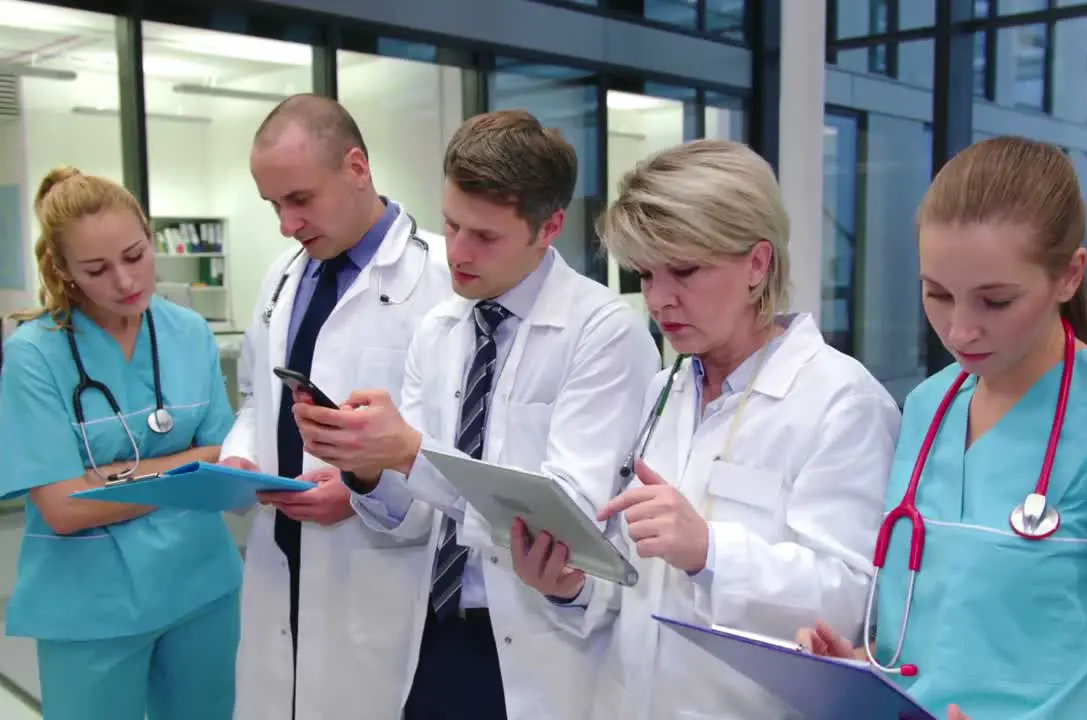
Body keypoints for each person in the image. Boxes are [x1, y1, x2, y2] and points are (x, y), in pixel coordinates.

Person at [796, 136, 1087, 720]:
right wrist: (861, 667)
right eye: (937, 294)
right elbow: (949, 644)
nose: (959, 331)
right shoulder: (929, 408)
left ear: (1069, 275)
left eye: (995, 301)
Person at [509, 139, 901, 719]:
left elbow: (855, 603)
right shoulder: (668, 388)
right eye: (645, 274)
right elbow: (640, 581)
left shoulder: (841, 400)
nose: (660, 299)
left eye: (685, 270)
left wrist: (712, 552)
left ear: (758, 264)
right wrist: (571, 585)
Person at [288, 109, 660, 719]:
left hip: (541, 646)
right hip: (433, 638)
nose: (456, 252)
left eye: (484, 236)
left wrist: (409, 451)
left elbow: (563, 522)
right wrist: (366, 469)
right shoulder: (439, 329)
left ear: (549, 227)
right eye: (450, 224)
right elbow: (408, 523)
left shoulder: (604, 333)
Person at [216, 94, 453, 720]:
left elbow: (459, 443)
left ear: (356, 167)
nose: (286, 224)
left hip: (381, 564)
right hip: (279, 555)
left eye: (300, 199)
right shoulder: (282, 276)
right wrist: (242, 459)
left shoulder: (442, 279)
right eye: (274, 205)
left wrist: (356, 494)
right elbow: (254, 400)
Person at [0, 167, 242, 720]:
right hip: (89, 604)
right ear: (63, 271)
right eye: (96, 269)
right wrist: (188, 468)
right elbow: (62, 509)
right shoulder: (36, 354)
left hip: (202, 587)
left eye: (135, 255)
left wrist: (105, 479)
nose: (125, 281)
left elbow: (224, 461)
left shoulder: (187, 331)